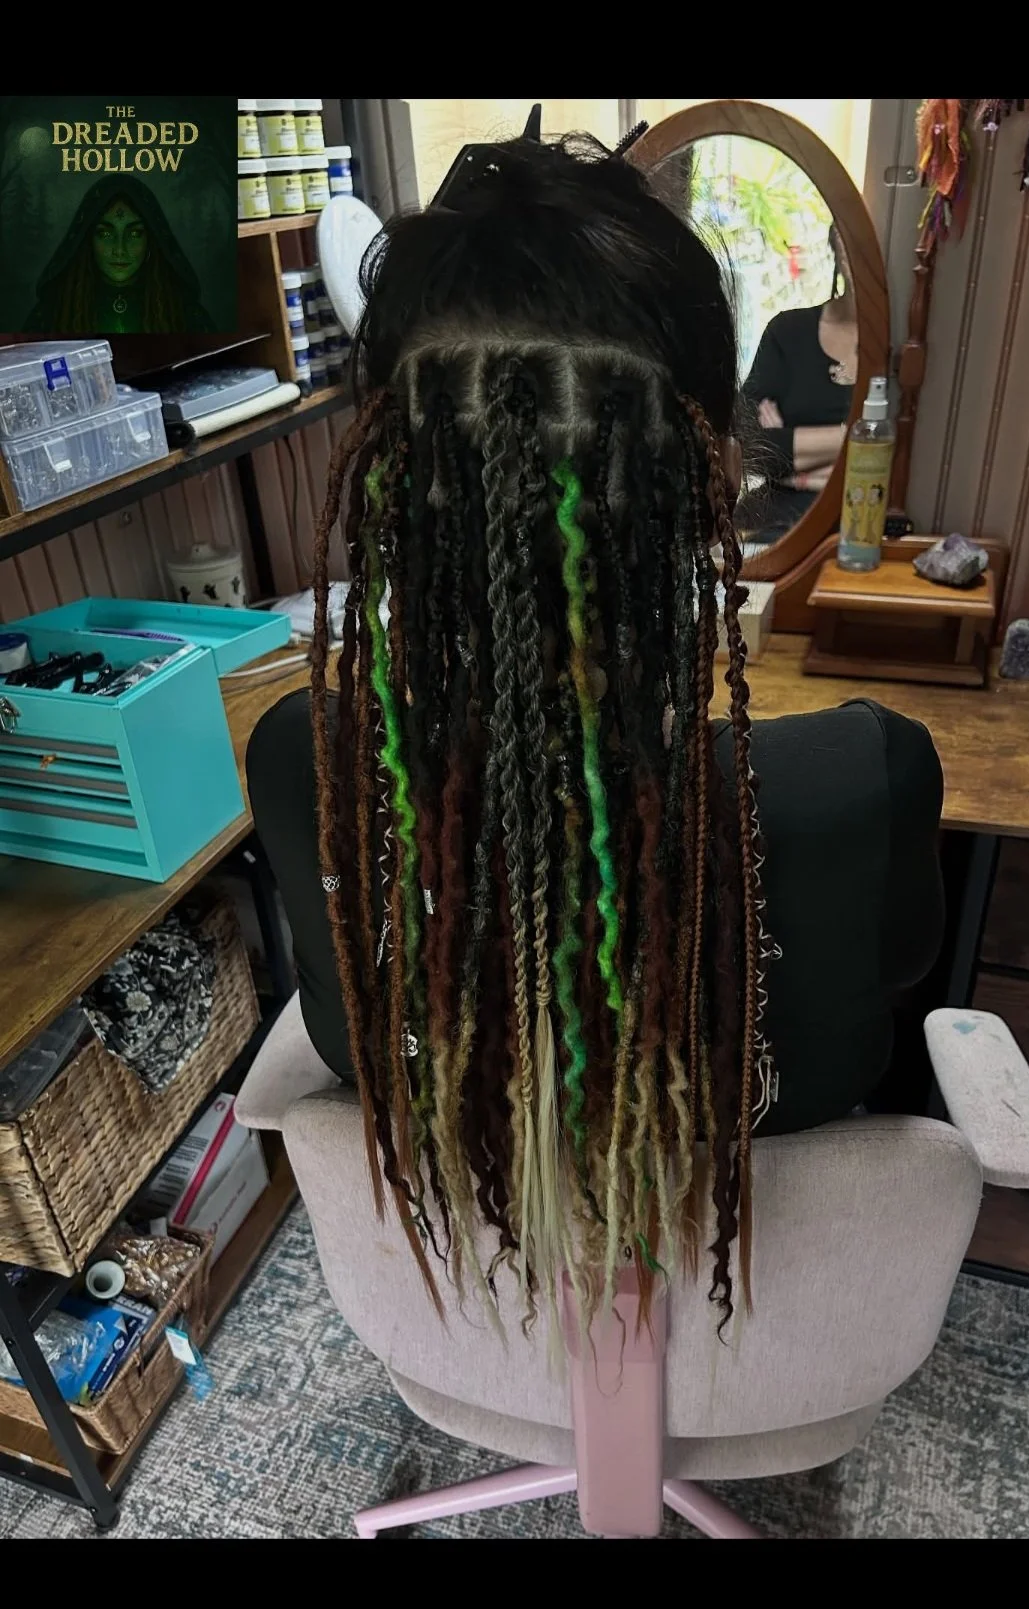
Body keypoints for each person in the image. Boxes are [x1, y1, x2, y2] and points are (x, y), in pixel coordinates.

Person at [247, 134, 943, 1336]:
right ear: (712, 471)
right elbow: (890, 998)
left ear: (395, 484)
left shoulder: (302, 756)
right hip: (770, 1318)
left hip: (466, 1316)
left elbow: (328, 1022)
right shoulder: (861, 777)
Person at [740, 224, 858, 543]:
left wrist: (790, 454)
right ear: (835, 245)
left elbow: (897, 449)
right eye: (849, 239)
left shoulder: (898, 348)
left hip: (860, 522)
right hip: (773, 520)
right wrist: (855, 443)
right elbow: (751, 446)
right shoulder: (788, 332)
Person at [23, 175, 214, 336]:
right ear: (88, 240)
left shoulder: (184, 314)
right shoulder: (53, 314)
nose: (120, 249)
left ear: (151, 239)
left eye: (134, 233)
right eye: (106, 234)